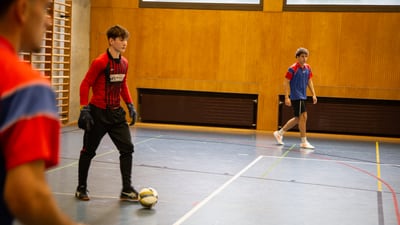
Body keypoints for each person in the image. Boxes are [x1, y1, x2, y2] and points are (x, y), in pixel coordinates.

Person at [0, 0, 84, 225]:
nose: (49, 21)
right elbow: (27, 197)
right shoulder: (26, 87)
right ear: (22, 9)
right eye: (46, 9)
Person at [76, 25, 138, 201]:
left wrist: (130, 105)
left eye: (125, 39)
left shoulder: (124, 63)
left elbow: (123, 85)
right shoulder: (100, 62)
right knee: (88, 151)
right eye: (121, 39)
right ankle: (81, 188)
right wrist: (84, 109)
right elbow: (85, 84)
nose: (124, 43)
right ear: (111, 41)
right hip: (98, 114)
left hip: (116, 115)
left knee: (127, 149)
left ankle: (126, 189)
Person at [273, 47, 317, 149]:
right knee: (304, 117)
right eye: (302, 56)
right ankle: (303, 141)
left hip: (303, 96)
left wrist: (314, 94)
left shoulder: (308, 68)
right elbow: (286, 82)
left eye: (306, 56)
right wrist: (286, 97)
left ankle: (279, 133)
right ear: (297, 57)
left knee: (298, 118)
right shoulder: (292, 68)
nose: (304, 59)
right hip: (296, 96)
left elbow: (309, 81)